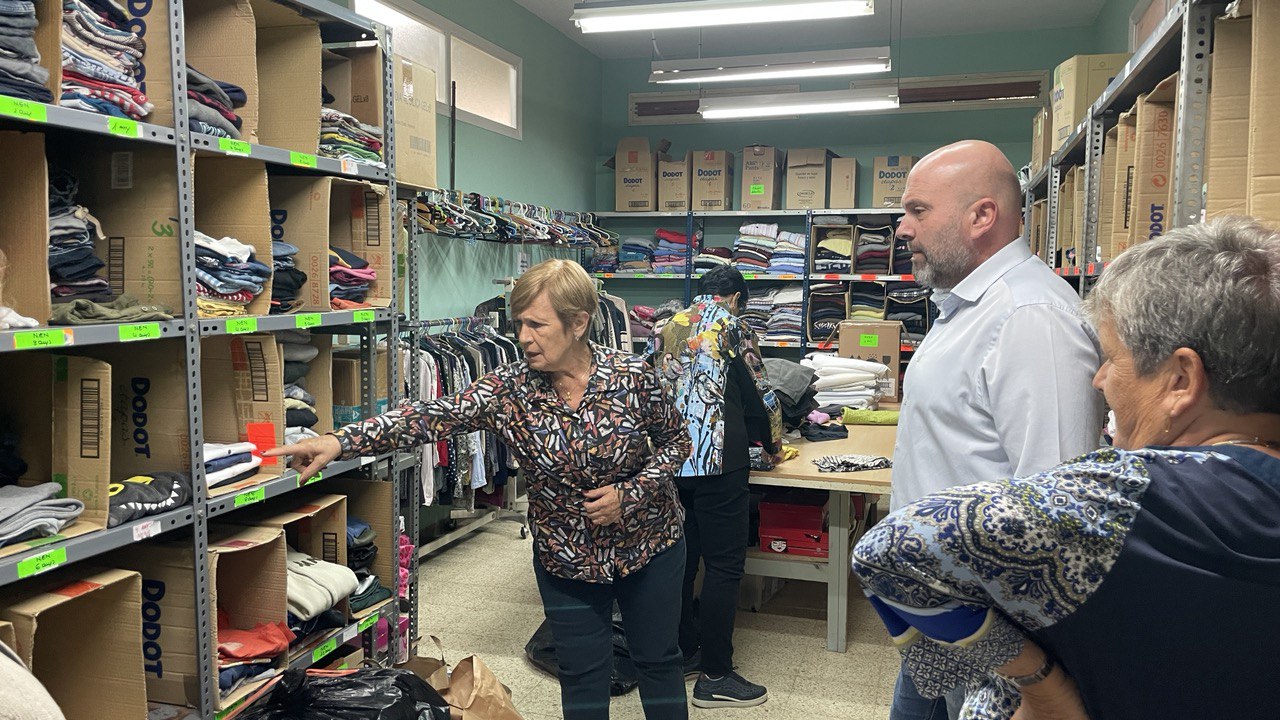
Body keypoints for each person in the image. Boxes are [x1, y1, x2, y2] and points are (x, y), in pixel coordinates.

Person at [852, 215, 1280, 719]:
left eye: (1112, 358)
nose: (1098, 380)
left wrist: (1040, 684)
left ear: (1181, 380)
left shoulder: (1119, 500)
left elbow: (890, 552)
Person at [265, 259, 693, 720]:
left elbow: (677, 441)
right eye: (518, 323)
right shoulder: (509, 390)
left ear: (579, 323)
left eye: (537, 324)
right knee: (583, 674)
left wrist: (630, 494)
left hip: (649, 544)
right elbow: (429, 416)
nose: (524, 337)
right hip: (566, 556)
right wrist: (340, 441)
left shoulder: (633, 377)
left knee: (656, 661)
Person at [887, 140, 1105, 719]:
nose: (901, 228)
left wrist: (1027, 678)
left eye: (918, 210)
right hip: (940, 617)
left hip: (995, 640)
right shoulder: (966, 306)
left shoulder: (1030, 319)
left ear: (982, 216)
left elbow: (1056, 513)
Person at [647, 266, 783, 709]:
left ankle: (686, 651)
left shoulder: (667, 327)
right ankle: (718, 673)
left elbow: (653, 391)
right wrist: (774, 443)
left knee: (683, 560)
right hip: (720, 462)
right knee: (724, 565)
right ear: (736, 299)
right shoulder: (734, 328)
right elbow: (761, 393)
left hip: (672, 461)